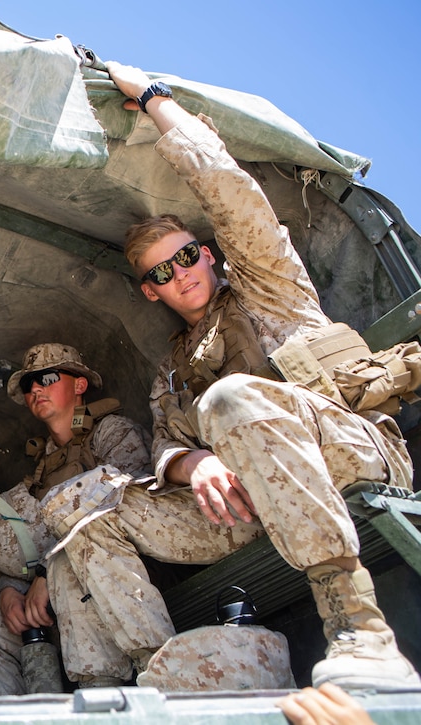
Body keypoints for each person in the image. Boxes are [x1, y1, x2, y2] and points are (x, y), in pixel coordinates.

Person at [58, 61, 418, 690]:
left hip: (349, 449)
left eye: (187, 257)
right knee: (84, 517)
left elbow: (231, 192)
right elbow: (167, 440)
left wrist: (153, 100)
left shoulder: (268, 288)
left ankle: (357, 627)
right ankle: (159, 671)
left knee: (233, 398)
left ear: (208, 253)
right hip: (249, 501)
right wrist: (188, 466)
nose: (182, 275)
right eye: (161, 273)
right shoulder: (172, 371)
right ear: (149, 291)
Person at [0, 343, 152, 694]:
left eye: (46, 378)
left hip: (118, 577)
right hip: (51, 599)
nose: (36, 390)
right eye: (28, 385)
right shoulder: (42, 470)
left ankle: (102, 697)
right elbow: (21, 548)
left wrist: (50, 571)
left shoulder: (112, 433)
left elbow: (130, 509)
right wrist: (8, 591)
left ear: (79, 385)